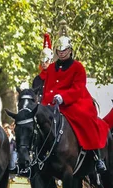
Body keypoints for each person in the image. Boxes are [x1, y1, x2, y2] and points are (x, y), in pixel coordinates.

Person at [41, 21, 108, 173]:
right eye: (59, 50)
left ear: (70, 50)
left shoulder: (78, 67)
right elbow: (48, 88)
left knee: (86, 119)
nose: (61, 52)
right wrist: (45, 104)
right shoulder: (51, 68)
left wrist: (63, 97)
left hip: (75, 102)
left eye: (64, 50)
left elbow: (78, 88)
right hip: (54, 104)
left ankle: (96, 157)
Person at [32, 32, 54, 97]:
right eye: (42, 61)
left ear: (51, 61)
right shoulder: (37, 79)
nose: (44, 63)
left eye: (46, 61)